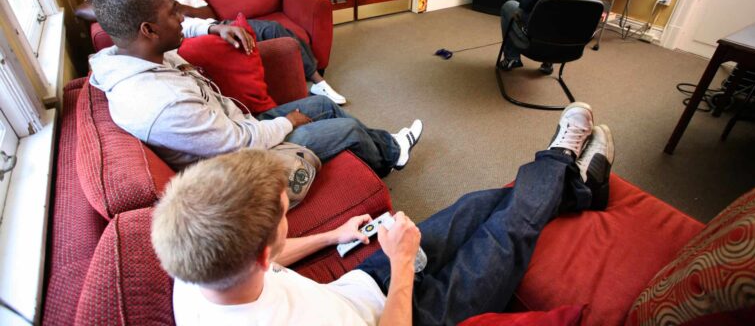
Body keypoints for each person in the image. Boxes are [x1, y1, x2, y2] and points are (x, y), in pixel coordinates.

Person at [152, 102, 615, 325]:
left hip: (364, 284)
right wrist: (400, 264)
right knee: (508, 231)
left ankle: (575, 192)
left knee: (475, 204)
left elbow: (270, 257)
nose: (286, 210)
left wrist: (335, 235)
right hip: (414, 315)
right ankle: (559, 158)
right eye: (284, 211)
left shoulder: (197, 268)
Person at [88, 0, 422, 176]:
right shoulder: (161, 102)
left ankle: (389, 146)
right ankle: (386, 159)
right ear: (148, 29)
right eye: (173, 12)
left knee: (323, 107)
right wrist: (288, 121)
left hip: (238, 125)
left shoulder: (130, 53)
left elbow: (188, 27)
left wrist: (216, 27)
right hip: (244, 162)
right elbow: (237, 145)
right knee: (345, 127)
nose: (182, 16)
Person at [76, 0, 347, 105]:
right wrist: (126, 5)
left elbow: (209, 14)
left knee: (274, 30)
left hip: (208, 26)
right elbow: (80, 8)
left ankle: (318, 82)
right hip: (175, 42)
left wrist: (176, 7)